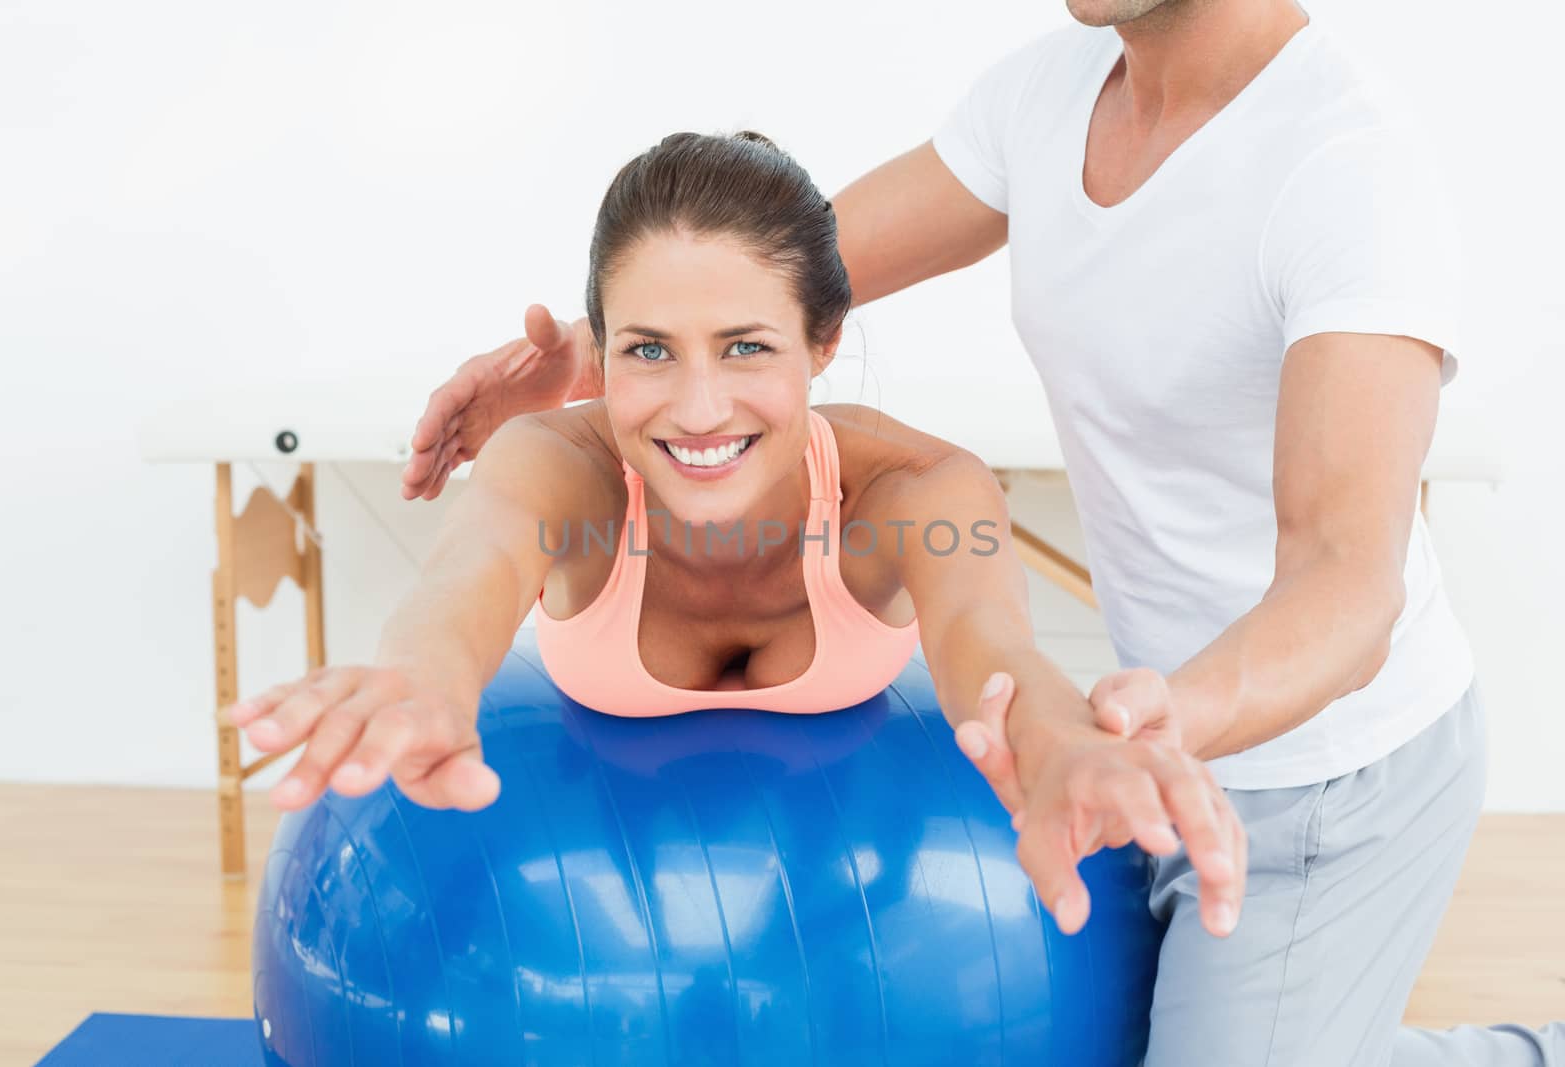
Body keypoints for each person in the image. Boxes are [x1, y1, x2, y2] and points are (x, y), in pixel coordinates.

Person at [399, 2, 1565, 1064]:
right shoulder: (1052, 95)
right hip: (1134, 727)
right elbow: (776, 261)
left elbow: (1349, 582)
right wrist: (599, 358)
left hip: (1320, 769)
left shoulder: (1343, 169)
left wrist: (1174, 721)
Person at [222, 129, 1243, 939]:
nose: (698, 407)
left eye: (746, 346)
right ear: (601, 352)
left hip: (856, 906)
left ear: (822, 343)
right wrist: (423, 679)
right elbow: (466, 579)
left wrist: (1057, 739)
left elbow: (995, 643)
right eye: (650, 350)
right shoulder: (556, 463)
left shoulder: (921, 488)